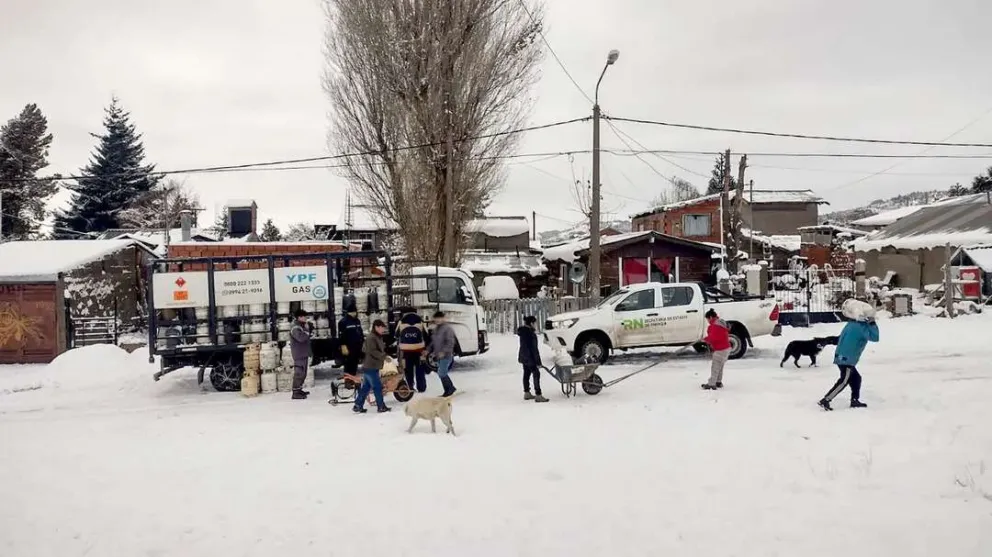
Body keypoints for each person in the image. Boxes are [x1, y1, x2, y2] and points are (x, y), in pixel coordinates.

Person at [818, 315, 879, 411]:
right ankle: (826, 400)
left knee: (856, 378)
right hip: (847, 359)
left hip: (842, 356)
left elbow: (841, 338)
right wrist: (872, 323)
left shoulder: (851, 324)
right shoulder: (861, 328)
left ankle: (854, 400)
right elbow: (875, 337)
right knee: (844, 381)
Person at [354, 319, 391, 414]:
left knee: (366, 387)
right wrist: (384, 357)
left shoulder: (376, 337)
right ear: (377, 327)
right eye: (382, 328)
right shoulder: (371, 338)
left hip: (370, 366)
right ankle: (381, 406)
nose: (383, 330)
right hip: (371, 366)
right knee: (377, 387)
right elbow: (372, 351)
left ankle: (358, 405)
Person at [396, 307, 428, 393]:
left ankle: (410, 386)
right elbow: (426, 335)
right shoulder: (420, 321)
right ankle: (421, 387)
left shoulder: (401, 321)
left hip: (406, 351)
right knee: (420, 369)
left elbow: (396, 334)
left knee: (408, 369)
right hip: (419, 350)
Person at [517, 316, 548, 403]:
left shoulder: (523, 332)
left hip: (523, 356)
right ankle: (538, 395)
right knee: (536, 374)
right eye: (535, 323)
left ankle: (527, 392)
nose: (536, 325)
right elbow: (534, 349)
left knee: (526, 373)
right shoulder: (531, 334)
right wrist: (538, 362)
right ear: (531, 323)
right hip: (530, 357)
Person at [428, 311, 457, 397]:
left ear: (443, 318)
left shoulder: (448, 329)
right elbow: (433, 342)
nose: (437, 320)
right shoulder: (436, 329)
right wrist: (427, 350)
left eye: (439, 318)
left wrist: (444, 352)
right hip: (439, 356)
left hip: (446, 355)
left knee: (442, 373)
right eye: (436, 318)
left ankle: (450, 389)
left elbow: (450, 342)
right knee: (441, 373)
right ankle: (449, 388)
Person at [700, 308, 731, 390]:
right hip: (725, 348)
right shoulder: (719, 323)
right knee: (720, 367)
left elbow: (713, 338)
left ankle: (711, 384)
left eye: (707, 319)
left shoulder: (715, 325)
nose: (707, 321)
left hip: (721, 349)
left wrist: (705, 339)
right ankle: (718, 382)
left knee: (715, 367)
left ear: (710, 317)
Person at [289, 308, 314, 400]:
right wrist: (308, 330)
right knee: (299, 373)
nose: (306, 318)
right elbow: (301, 338)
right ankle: (295, 392)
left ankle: (299, 389)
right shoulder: (295, 327)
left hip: (303, 352)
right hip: (299, 353)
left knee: (303, 373)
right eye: (304, 317)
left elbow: (306, 336)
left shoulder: (301, 325)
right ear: (299, 317)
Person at [337, 310, 364, 376]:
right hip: (348, 347)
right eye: (354, 312)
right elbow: (341, 335)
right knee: (348, 366)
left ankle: (353, 380)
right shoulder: (343, 322)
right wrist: (343, 346)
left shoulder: (357, 320)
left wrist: (362, 342)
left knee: (354, 365)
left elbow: (360, 332)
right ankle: (348, 382)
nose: (355, 313)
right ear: (350, 312)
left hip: (357, 346)